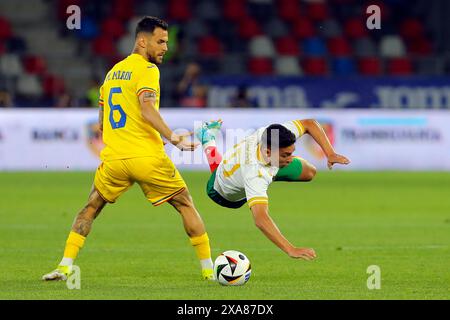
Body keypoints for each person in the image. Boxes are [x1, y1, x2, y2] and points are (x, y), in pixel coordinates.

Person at [43, 16, 215, 281]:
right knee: (185, 204)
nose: (165, 47)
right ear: (142, 41)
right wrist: (173, 137)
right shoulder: (148, 70)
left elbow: (102, 121)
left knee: (90, 207)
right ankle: (209, 271)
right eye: (160, 41)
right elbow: (147, 108)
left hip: (114, 159)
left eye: (167, 42)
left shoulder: (112, 72)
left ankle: (65, 266)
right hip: (146, 157)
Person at [195, 119, 350, 260]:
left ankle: (273, 169)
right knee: (218, 168)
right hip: (222, 193)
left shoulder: (272, 134)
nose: (290, 158)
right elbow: (261, 219)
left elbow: (309, 124)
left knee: (310, 172)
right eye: (286, 155)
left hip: (254, 166)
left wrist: (330, 153)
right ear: (268, 152)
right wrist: (291, 249)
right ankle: (207, 138)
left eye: (292, 153)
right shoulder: (255, 174)